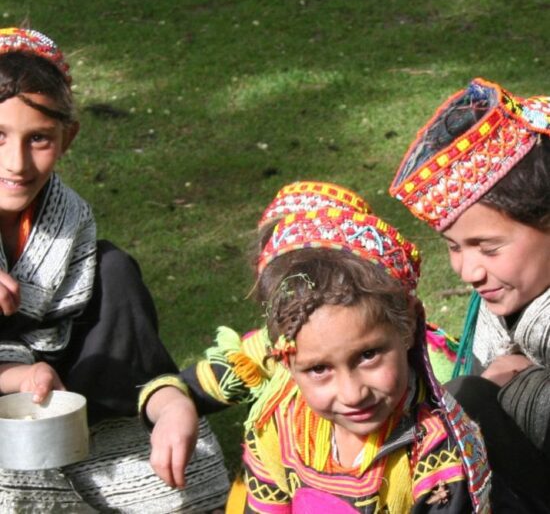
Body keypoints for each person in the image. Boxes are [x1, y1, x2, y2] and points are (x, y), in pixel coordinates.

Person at [0, 27, 228, 512]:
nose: (16, 163)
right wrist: (16, 378)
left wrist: (168, 404)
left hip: (60, 380)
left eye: (37, 138)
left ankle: (155, 405)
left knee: (115, 268)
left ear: (68, 138)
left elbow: (102, 329)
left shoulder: (71, 220)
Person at [140, 204, 491, 512]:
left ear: (408, 325)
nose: (353, 393)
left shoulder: (437, 454)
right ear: (282, 359)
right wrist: (172, 405)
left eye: (368, 355)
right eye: (319, 369)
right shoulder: (279, 420)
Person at [390, 77, 550, 511]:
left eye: (489, 247)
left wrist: (513, 390)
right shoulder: (506, 308)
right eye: (454, 246)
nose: (468, 271)